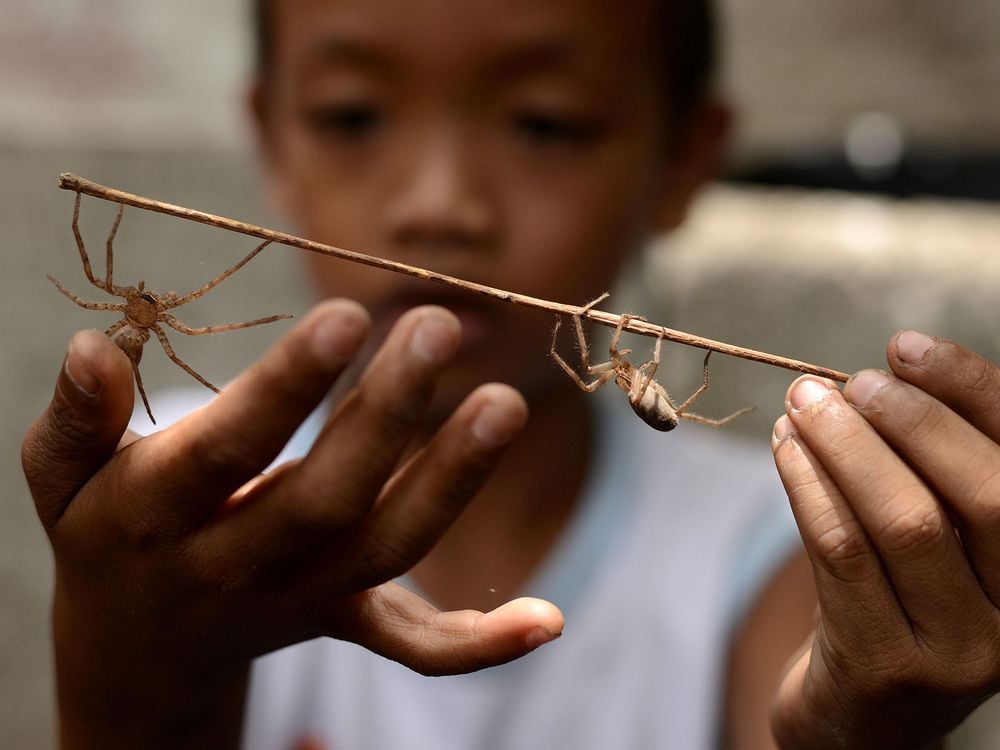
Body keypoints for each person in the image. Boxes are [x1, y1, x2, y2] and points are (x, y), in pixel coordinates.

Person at [20, 0, 1000, 747]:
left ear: (680, 161)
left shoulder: (772, 554)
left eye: (544, 123)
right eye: (354, 116)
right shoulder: (169, 507)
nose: (441, 207)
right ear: (271, 137)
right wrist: (134, 674)